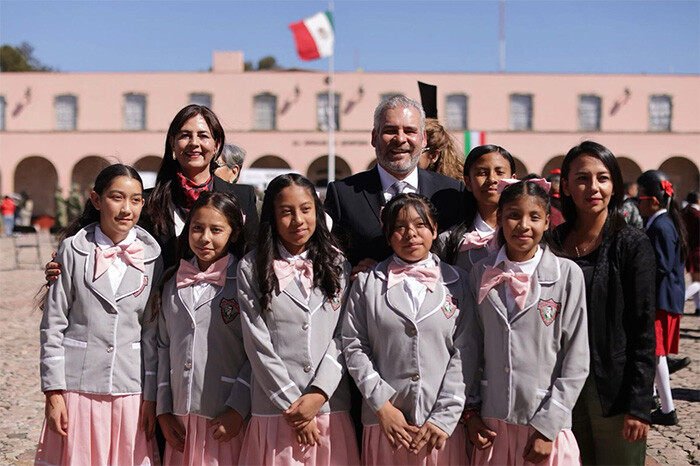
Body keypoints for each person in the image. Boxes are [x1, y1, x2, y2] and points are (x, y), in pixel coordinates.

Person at [35, 164, 162, 465]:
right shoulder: (72, 250)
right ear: (96, 200)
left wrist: (153, 395)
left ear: (143, 204)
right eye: (117, 197)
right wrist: (53, 392)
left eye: (135, 199)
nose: (126, 208)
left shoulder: (154, 258)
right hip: (78, 387)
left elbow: (153, 333)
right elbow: (53, 325)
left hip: (131, 389)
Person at [237, 174, 359, 465]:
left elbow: (344, 335)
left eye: (306, 209)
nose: (298, 220)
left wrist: (318, 394)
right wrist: (294, 406)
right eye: (286, 212)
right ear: (273, 216)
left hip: (329, 408)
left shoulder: (338, 264)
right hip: (275, 411)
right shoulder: (251, 267)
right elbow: (257, 343)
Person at [466, 179, 589, 465]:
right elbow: (470, 348)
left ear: (547, 222)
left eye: (534, 217)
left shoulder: (568, 275)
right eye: (513, 215)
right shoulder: (480, 273)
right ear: (499, 219)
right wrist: (470, 412)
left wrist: (548, 427)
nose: (523, 225)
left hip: (544, 423)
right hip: (492, 424)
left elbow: (577, 359)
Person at [342, 193, 472, 465]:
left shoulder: (459, 282)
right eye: (399, 227)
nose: (410, 234)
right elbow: (354, 345)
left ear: (435, 230)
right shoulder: (367, 283)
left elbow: (467, 351)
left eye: (420, 225)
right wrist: (382, 406)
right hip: (387, 425)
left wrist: (444, 417)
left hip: (440, 429)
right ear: (387, 236)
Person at [552, 141, 655, 465]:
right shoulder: (553, 242)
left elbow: (643, 328)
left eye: (603, 178)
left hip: (611, 387)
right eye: (582, 178)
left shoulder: (630, 243)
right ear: (566, 186)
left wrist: (639, 405)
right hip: (561, 384)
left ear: (615, 186)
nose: (593, 187)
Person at [154, 192, 250, 464]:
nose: (205, 237)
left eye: (216, 229)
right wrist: (163, 410)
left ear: (233, 233)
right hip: (180, 421)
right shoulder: (172, 282)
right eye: (197, 228)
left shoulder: (245, 282)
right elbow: (162, 346)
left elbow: (257, 352)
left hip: (226, 417)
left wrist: (238, 408)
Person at [324, 94, 464, 271]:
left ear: (424, 139)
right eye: (390, 130)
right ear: (374, 137)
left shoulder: (451, 192)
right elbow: (328, 257)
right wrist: (349, 273)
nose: (400, 138)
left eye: (409, 131)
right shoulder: (343, 195)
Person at [142, 104, 259, 268]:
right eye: (185, 135)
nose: (194, 143)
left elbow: (251, 257)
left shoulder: (242, 197)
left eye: (203, 136)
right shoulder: (148, 203)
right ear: (172, 143)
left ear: (217, 145)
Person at [636, 170, 688, 426]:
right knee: (657, 355)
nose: (638, 204)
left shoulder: (662, 225)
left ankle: (667, 409)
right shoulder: (661, 222)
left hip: (661, 299)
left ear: (654, 201)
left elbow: (662, 265)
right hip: (663, 299)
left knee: (656, 355)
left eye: (640, 199)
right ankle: (655, 399)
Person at [440, 144, 516, 275]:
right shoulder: (448, 240)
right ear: (468, 182)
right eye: (482, 173)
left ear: (513, 180)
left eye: (500, 172)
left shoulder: (523, 233)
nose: (492, 179)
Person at [682, 191, 700, 315]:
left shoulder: (684, 212)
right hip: (698, 249)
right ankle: (680, 298)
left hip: (690, 249)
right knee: (698, 283)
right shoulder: (697, 214)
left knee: (696, 280)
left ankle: (698, 307)